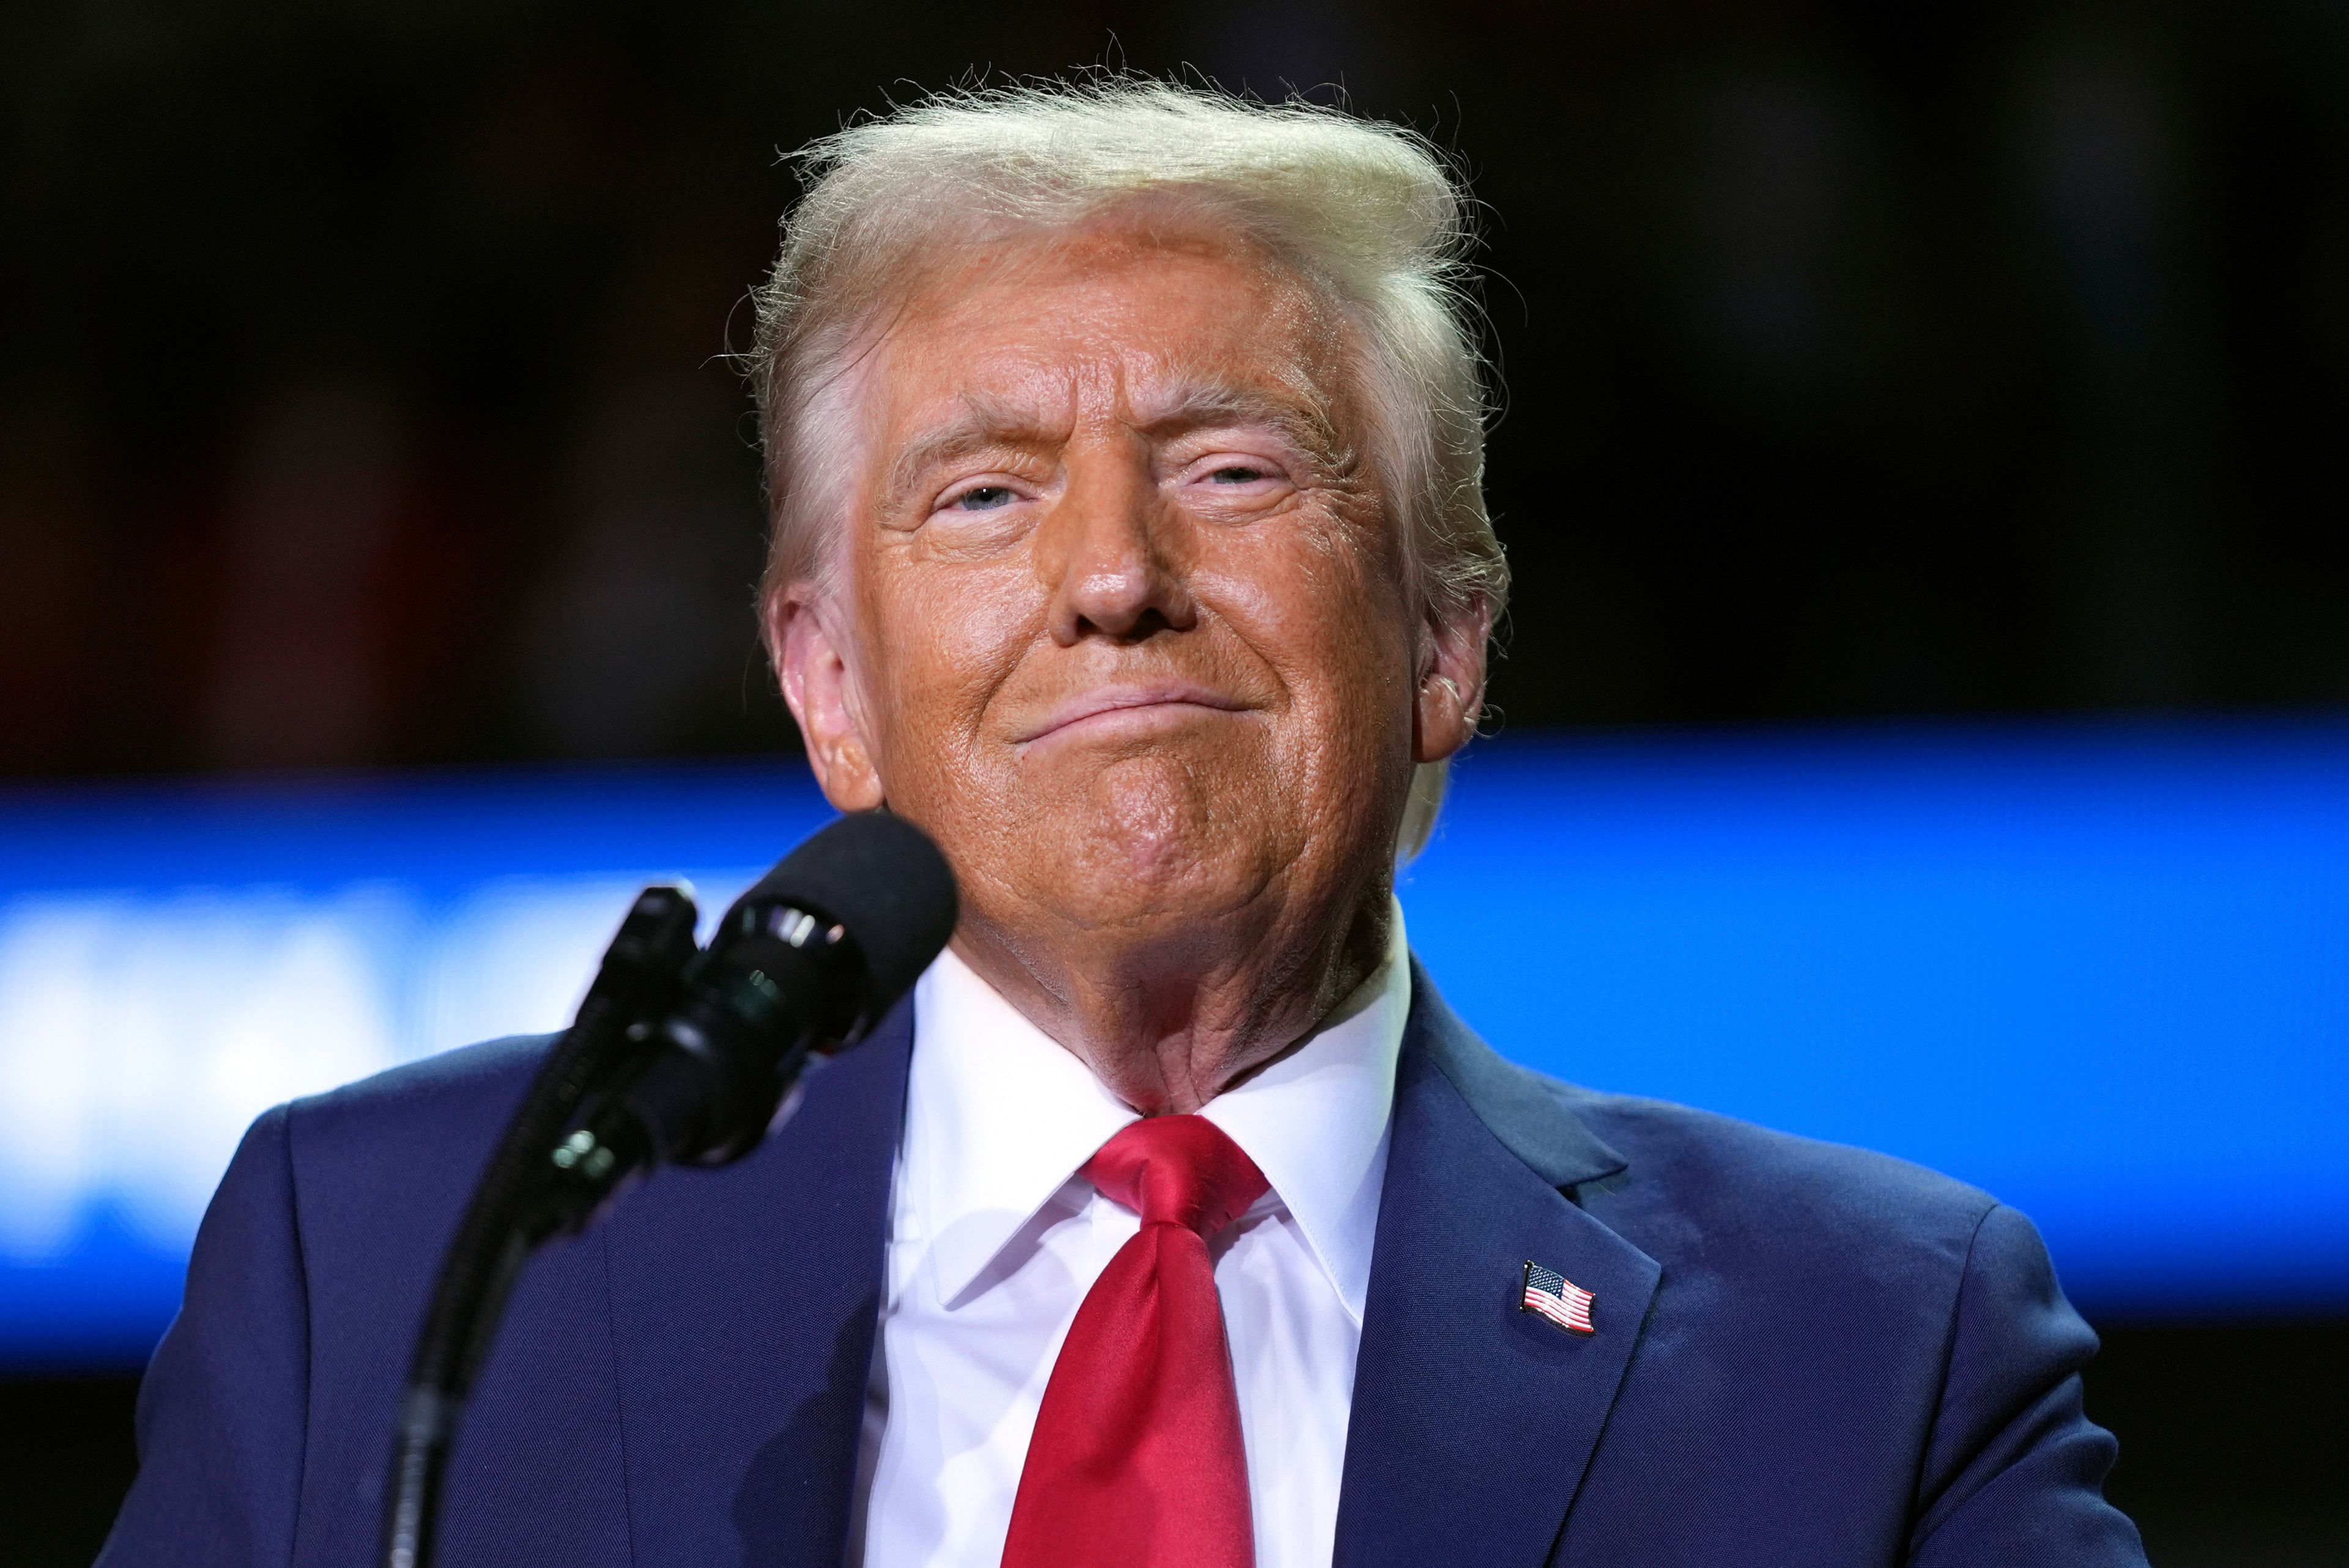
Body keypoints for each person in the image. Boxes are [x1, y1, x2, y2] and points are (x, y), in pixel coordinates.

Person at [98, 82, 2147, 1568]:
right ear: (828, 684)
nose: (1112, 575)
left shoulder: (1876, 1351)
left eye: (1236, 467)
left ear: (1447, 637)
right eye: (984, 492)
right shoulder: (387, 1267)